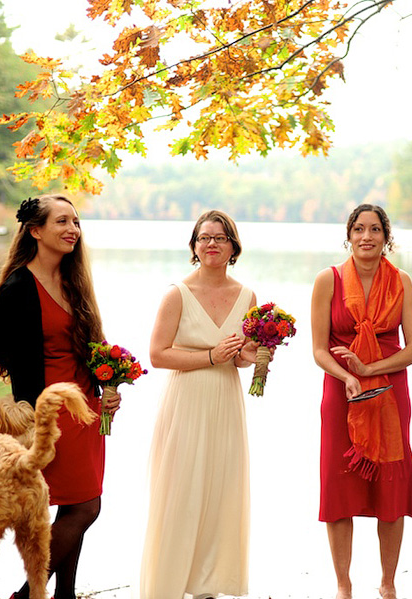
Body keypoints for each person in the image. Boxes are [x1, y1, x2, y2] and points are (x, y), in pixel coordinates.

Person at [0, 194, 120, 599]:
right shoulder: (18, 286)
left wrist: (109, 387)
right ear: (36, 231)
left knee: (75, 506)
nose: (72, 229)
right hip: (50, 412)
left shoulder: (75, 282)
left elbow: (92, 350)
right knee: (85, 508)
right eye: (62, 221)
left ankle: (64, 595)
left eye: (75, 222)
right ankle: (25, 596)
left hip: (87, 409)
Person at [140, 210, 260, 599]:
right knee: (181, 493)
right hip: (186, 402)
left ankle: (208, 588)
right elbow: (158, 355)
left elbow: (240, 359)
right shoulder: (177, 294)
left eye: (220, 238)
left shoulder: (247, 296)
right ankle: (167, 588)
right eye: (204, 238)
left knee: (221, 493)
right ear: (194, 246)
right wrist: (210, 356)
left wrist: (253, 356)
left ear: (233, 247)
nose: (212, 244)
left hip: (225, 402)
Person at [311, 203, 412, 599]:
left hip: (389, 392)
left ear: (386, 237)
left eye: (375, 229)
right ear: (349, 236)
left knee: (390, 485)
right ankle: (343, 585)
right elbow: (319, 350)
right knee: (339, 485)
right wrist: (348, 376)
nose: (366, 236)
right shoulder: (328, 280)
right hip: (341, 391)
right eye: (359, 229)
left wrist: (369, 369)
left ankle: (388, 583)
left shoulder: (402, 282)